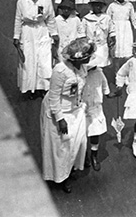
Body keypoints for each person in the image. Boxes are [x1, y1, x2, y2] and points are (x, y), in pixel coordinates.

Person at [40, 38, 93, 193]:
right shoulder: (60, 70)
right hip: (60, 111)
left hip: (76, 109)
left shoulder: (82, 68)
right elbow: (53, 97)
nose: (88, 60)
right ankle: (61, 178)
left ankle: (70, 169)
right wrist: (60, 119)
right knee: (61, 147)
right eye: (86, 57)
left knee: (75, 143)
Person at [13, 0, 59, 99]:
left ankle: (43, 88)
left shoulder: (46, 0)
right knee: (28, 61)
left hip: (42, 31)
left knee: (43, 60)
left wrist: (54, 33)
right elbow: (18, 19)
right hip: (27, 32)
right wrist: (16, 36)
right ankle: (29, 89)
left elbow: (51, 18)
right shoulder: (21, 1)